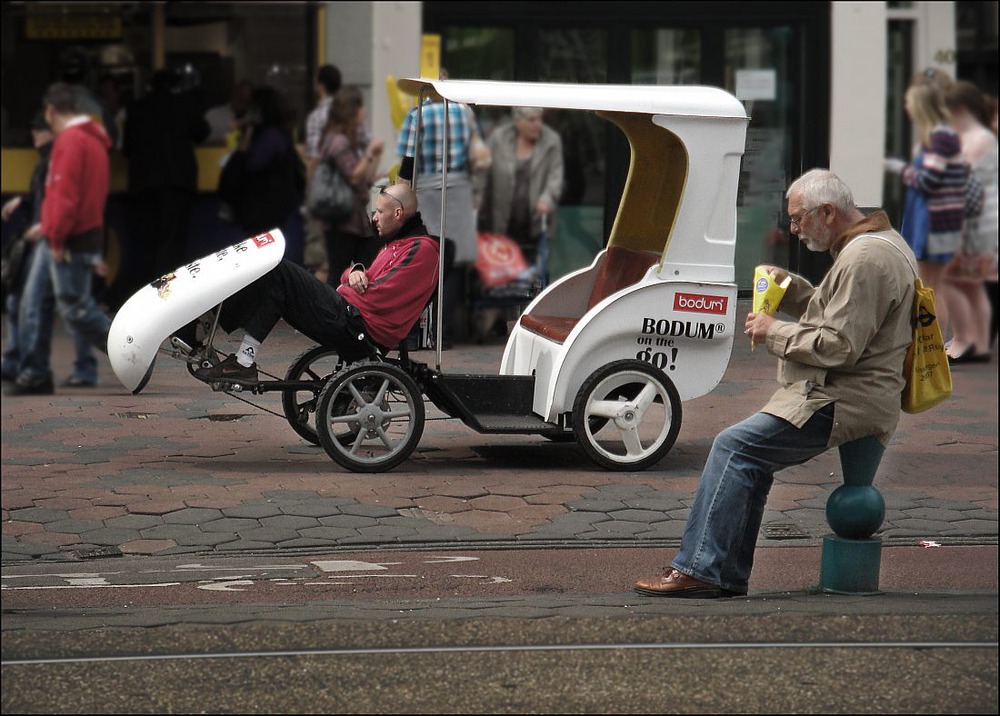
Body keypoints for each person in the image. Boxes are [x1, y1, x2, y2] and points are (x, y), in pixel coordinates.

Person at [634, 169, 916, 598]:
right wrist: (792, 290)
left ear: (828, 211)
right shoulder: (879, 244)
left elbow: (838, 346)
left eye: (799, 218)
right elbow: (839, 311)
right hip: (850, 392)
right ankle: (722, 574)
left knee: (734, 447)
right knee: (748, 456)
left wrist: (772, 330)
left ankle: (703, 569)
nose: (794, 228)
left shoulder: (865, 259)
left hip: (841, 398)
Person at [190, 184, 439, 384]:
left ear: (398, 214)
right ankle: (243, 359)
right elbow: (360, 280)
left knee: (279, 269)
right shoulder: (397, 244)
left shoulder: (421, 249)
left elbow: (378, 294)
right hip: (352, 314)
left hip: (358, 323)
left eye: (379, 212)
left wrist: (348, 282)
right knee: (276, 283)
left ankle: (215, 328)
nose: (374, 218)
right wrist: (354, 271)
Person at [5, 83, 113, 396]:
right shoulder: (93, 141)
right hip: (76, 234)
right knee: (45, 303)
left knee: (71, 308)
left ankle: (129, 350)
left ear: (51, 111)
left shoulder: (71, 142)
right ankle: (34, 371)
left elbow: (64, 196)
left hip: (64, 238)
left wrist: (54, 238)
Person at [885, 77, 967, 342]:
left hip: (932, 221)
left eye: (910, 102)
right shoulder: (941, 136)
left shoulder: (940, 137)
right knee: (932, 285)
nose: (907, 107)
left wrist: (901, 170)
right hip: (931, 218)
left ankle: (934, 344)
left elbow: (928, 180)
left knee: (932, 286)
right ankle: (934, 343)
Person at [396, 88, 478, 345]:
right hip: (461, 189)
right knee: (452, 261)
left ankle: (420, 332)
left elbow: (408, 162)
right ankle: (444, 333)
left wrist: (399, 193)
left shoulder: (417, 114)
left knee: (427, 255)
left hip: (428, 190)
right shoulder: (466, 112)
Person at [122, 69, 211, 291]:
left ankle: (143, 290)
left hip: (144, 183)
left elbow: (127, 148)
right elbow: (202, 131)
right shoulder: (183, 104)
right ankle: (164, 292)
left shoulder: (137, 108)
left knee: (147, 240)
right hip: (176, 181)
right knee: (171, 241)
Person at [942, 81, 998, 363]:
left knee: (959, 282)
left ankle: (967, 341)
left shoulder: (976, 140)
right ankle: (976, 342)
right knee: (973, 284)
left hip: (974, 224)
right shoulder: (978, 138)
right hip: (979, 223)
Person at [479, 106, 564, 269]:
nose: (537, 124)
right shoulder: (499, 138)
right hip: (503, 219)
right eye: (532, 120)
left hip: (535, 222)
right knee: (503, 270)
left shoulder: (551, 141)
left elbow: (556, 177)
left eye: (539, 119)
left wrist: (546, 199)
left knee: (532, 274)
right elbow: (483, 171)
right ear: (517, 122)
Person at [318, 85, 385, 280]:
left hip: (353, 218)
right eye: (360, 107)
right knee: (339, 271)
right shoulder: (337, 141)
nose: (364, 112)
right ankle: (332, 309)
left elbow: (364, 177)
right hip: (341, 219)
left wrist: (375, 156)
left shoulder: (347, 140)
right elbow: (354, 175)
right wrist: (371, 152)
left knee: (366, 265)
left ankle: (351, 307)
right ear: (351, 111)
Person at [221, 85, 304, 237]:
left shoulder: (270, 136)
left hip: (265, 209)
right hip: (269, 208)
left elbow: (253, 164)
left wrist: (245, 141)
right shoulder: (276, 133)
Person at [303, 64, 343, 280]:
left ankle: (319, 310)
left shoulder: (318, 116)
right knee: (342, 256)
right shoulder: (350, 114)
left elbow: (314, 158)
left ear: (320, 86)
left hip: (323, 191)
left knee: (321, 259)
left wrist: (309, 191)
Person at [204, 80, 254, 145]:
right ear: (233, 95)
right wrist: (227, 142)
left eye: (248, 102)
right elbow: (200, 144)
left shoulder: (254, 117)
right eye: (241, 99)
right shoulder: (213, 115)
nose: (244, 106)